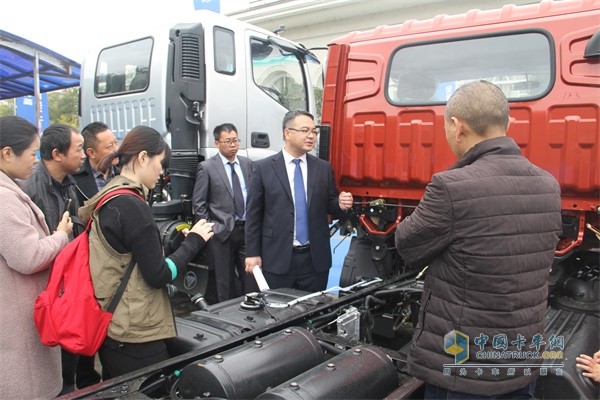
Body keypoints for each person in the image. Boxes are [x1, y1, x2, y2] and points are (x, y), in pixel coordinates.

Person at [394, 81, 562, 399]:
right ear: (507, 124)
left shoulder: (452, 186)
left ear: (458, 126)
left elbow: (407, 244)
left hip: (464, 369)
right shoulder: (548, 183)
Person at [78, 125, 214, 378]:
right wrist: (194, 242)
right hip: (135, 332)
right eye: (160, 163)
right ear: (142, 158)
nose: (162, 172)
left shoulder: (111, 196)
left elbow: (131, 255)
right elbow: (158, 275)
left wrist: (173, 246)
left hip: (113, 327)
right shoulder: (132, 205)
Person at [21, 123, 99, 393]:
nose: (84, 155)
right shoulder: (28, 189)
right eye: (78, 149)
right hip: (44, 286)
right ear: (57, 154)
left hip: (69, 281)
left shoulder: (70, 183)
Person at [0, 116, 73, 399]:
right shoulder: (4, 199)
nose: (36, 160)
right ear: (7, 153)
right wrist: (60, 235)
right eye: (32, 153)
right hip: (16, 324)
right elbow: (27, 257)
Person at [245, 110, 353, 292]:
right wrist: (252, 254)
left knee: (312, 313)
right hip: (277, 258)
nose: (311, 136)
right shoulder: (263, 168)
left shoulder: (322, 168)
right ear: (287, 133)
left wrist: (341, 205)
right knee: (277, 313)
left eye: (314, 132)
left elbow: (331, 206)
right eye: (305, 130)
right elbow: (253, 216)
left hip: (314, 260)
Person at [192, 123, 258, 301]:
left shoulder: (248, 164)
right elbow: (199, 204)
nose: (233, 145)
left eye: (235, 140)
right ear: (217, 143)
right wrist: (212, 229)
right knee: (225, 282)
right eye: (228, 141)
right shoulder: (207, 168)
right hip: (223, 233)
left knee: (251, 278)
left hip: (247, 230)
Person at [72, 121, 119, 206]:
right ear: (91, 153)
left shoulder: (124, 171)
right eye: (109, 146)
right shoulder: (74, 180)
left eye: (116, 143)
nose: (116, 149)